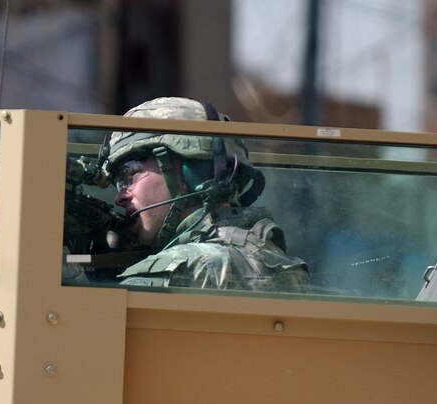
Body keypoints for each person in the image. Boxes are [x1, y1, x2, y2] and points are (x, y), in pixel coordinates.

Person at [105, 97, 310, 292]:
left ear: (189, 173)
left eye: (129, 174)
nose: (120, 197)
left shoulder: (185, 268)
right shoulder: (264, 253)